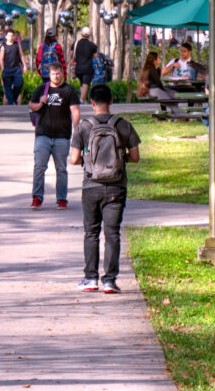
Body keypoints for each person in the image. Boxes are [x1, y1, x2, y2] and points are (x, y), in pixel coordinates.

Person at [69, 84, 141, 294]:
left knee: (91, 232)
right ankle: (109, 280)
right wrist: (118, 160)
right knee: (112, 233)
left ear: (91, 102)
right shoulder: (123, 125)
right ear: (111, 101)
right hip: (116, 187)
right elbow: (135, 157)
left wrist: (90, 160)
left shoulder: (83, 126)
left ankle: (90, 278)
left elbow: (74, 159)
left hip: (91, 187)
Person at [28, 65, 80, 210]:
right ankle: (37, 197)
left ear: (62, 74)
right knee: (39, 167)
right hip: (43, 134)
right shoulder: (41, 89)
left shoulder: (69, 90)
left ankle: (62, 199)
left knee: (61, 169)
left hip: (62, 136)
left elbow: (75, 112)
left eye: (58, 73)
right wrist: (41, 103)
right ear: (49, 75)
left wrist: (76, 131)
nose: (56, 76)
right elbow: (31, 105)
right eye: (53, 74)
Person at [138, 52, 184, 116]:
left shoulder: (156, 69)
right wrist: (164, 91)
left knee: (174, 95)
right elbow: (157, 82)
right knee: (171, 102)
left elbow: (159, 82)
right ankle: (183, 116)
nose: (159, 59)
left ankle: (177, 116)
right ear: (155, 60)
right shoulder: (150, 69)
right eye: (158, 58)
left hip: (157, 88)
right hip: (153, 90)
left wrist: (165, 90)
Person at [0, 29, 27, 105]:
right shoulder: (3, 46)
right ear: (6, 36)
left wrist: (25, 65)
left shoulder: (17, 44)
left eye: (12, 35)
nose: (11, 37)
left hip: (16, 68)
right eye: (9, 35)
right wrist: (3, 70)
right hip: (7, 69)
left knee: (19, 83)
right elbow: (1, 59)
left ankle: (14, 99)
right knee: (7, 88)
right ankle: (11, 103)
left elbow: (21, 55)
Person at [73, 27, 98, 100]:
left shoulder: (76, 43)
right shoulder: (92, 45)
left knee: (82, 84)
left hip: (78, 67)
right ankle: (81, 99)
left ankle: (83, 99)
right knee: (86, 83)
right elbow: (95, 56)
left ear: (81, 34)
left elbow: (71, 54)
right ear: (89, 35)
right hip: (88, 67)